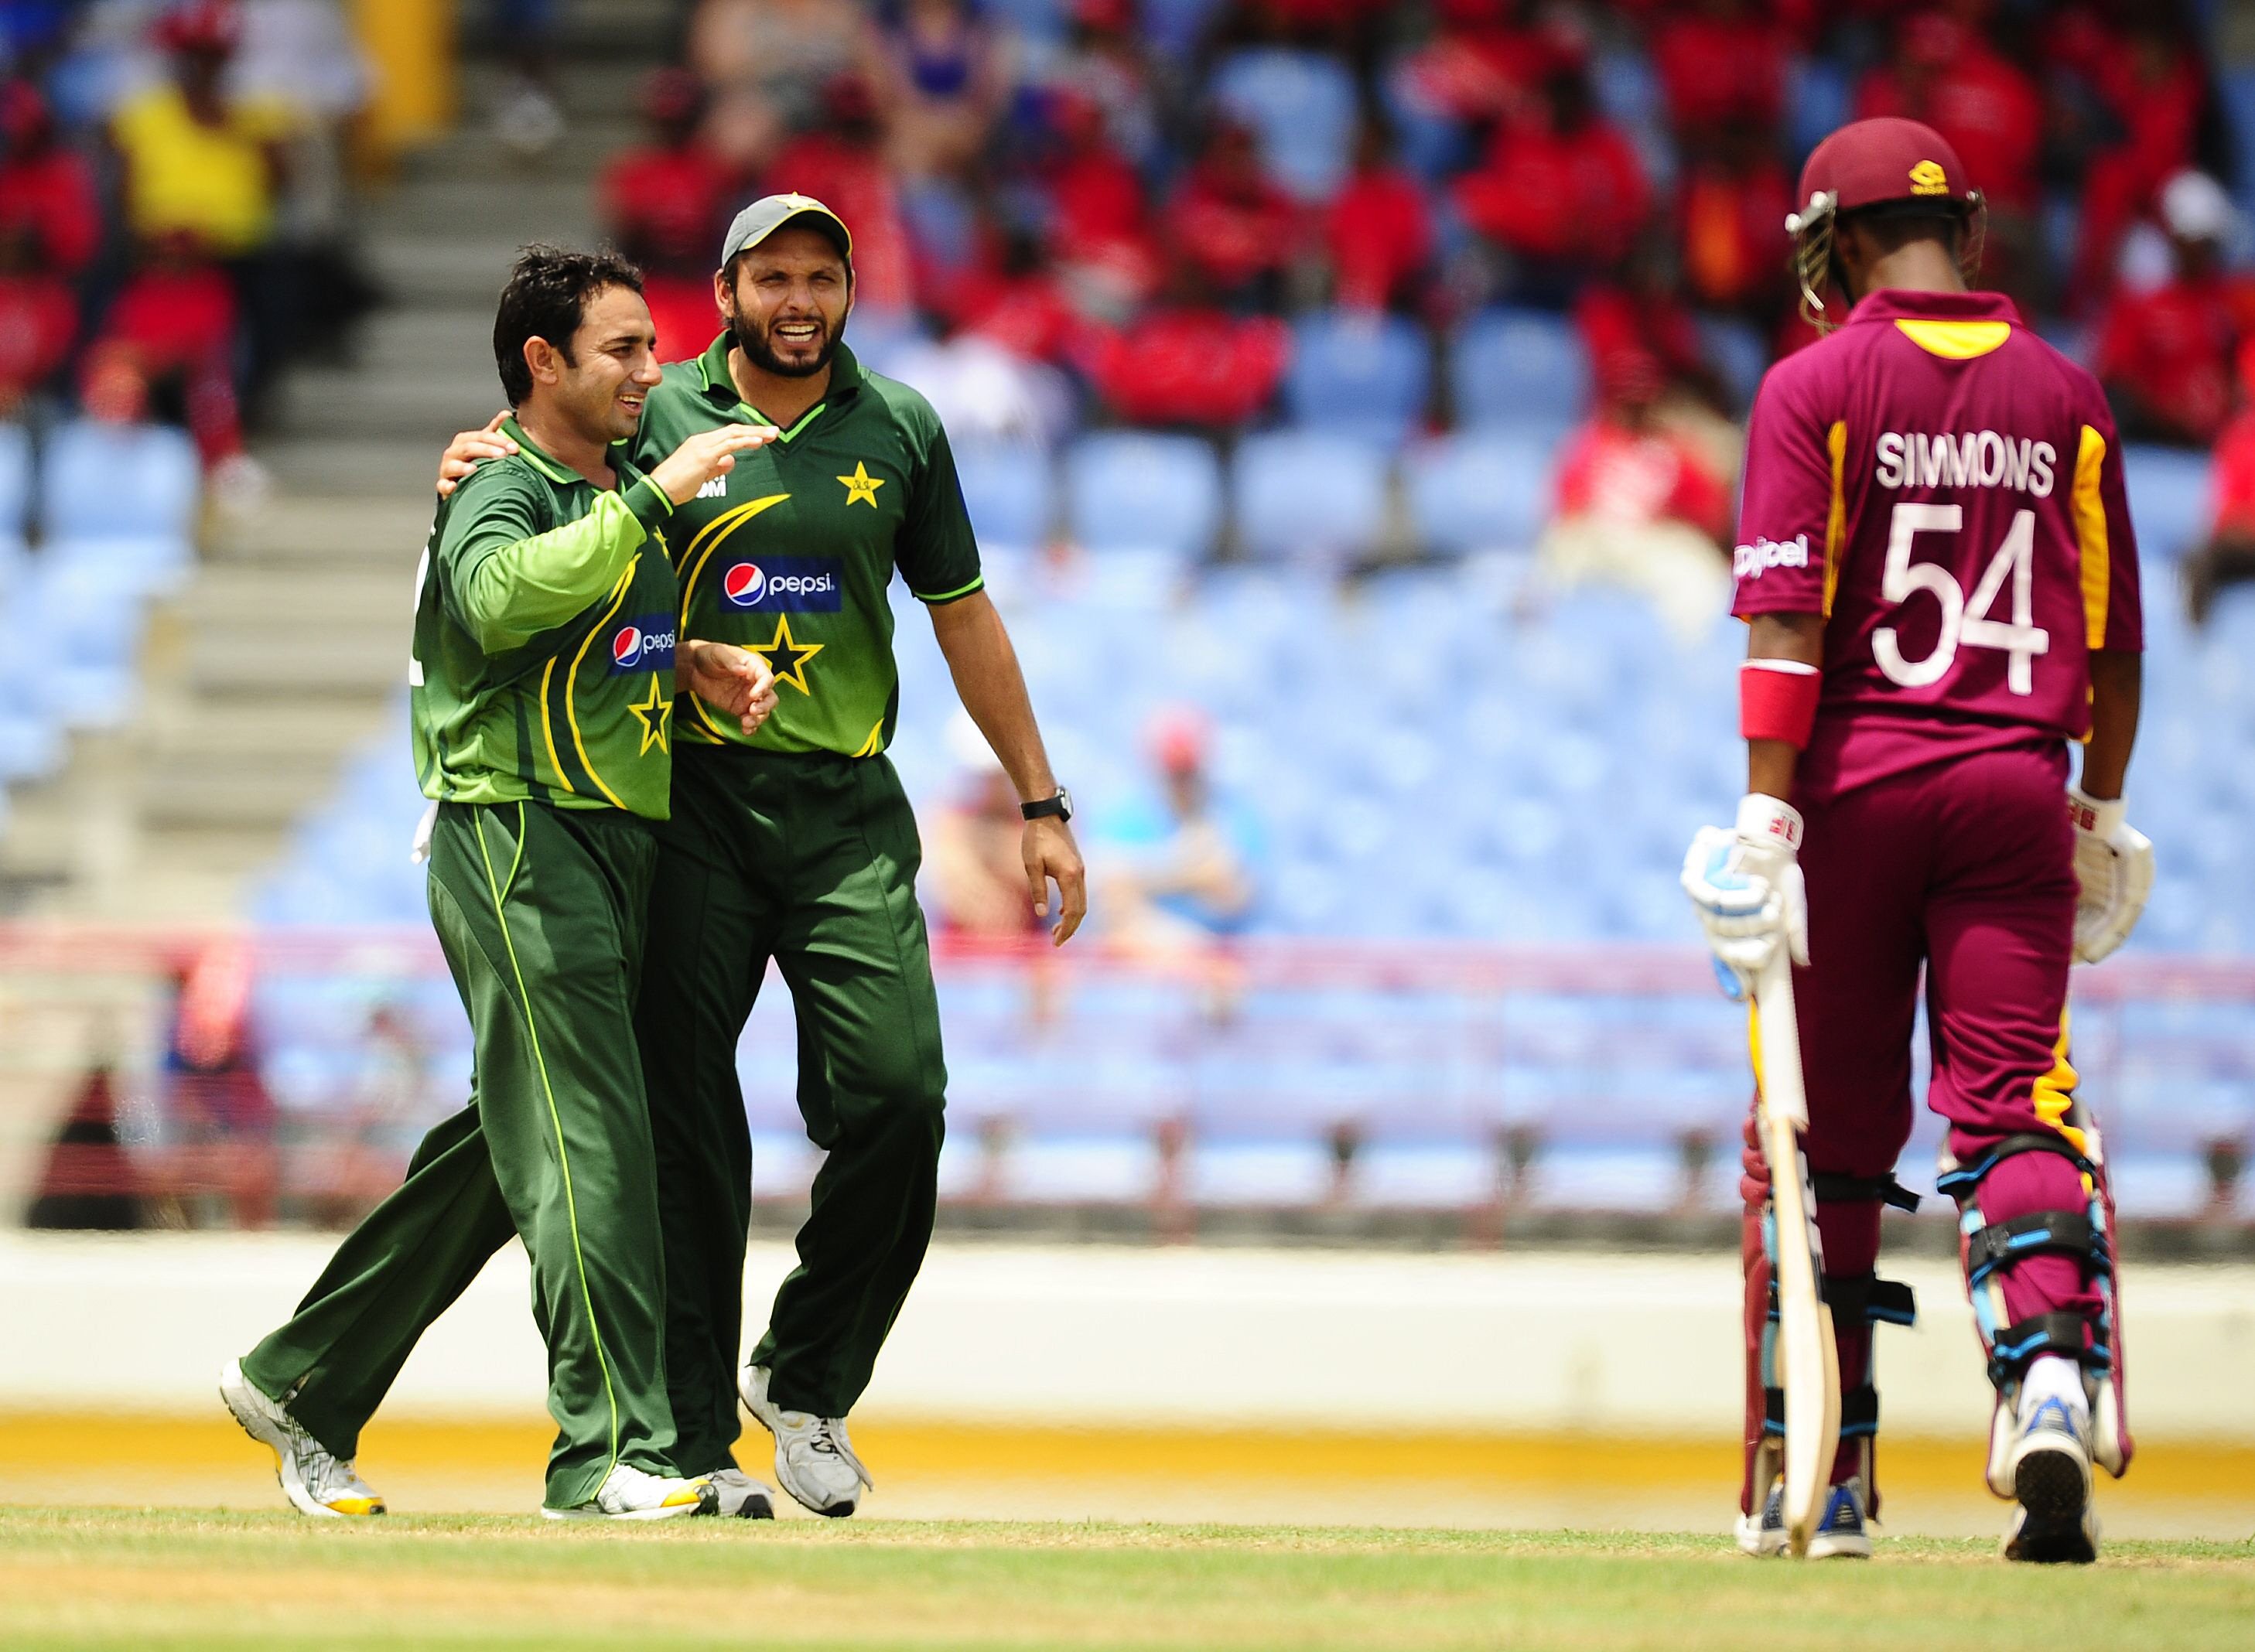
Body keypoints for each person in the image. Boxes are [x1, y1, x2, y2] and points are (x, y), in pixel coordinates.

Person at [437, 195, 1087, 1519]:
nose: (801, 301)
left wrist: (1040, 799)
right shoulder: (650, 412)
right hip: (690, 812)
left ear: (850, 293)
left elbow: (964, 619)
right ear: (725, 292)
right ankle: (680, 1448)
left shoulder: (899, 428)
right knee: (687, 1130)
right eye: (773, 277)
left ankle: (803, 1377)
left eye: (824, 278)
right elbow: (532, 488)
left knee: (902, 1097)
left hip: (848, 812)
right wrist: (465, 462)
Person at [221, 244, 783, 1522]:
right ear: (543, 362)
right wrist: (649, 512)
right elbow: (490, 602)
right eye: (625, 350)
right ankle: (612, 1457)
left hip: (613, 838)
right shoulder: (500, 485)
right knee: (592, 1141)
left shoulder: (609, 477)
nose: (654, 370)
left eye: (653, 347)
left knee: (516, 1139)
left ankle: (303, 1381)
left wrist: (681, 653)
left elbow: (584, 624)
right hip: (516, 834)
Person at [1682, 118, 2147, 1565]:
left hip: (1858, 789)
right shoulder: (2067, 395)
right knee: (2011, 1103)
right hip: (2019, 786)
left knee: (1826, 1140)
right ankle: (2049, 1379)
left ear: (1833, 239)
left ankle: (1823, 1464)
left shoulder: (1813, 386)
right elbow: (2116, 642)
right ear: (1968, 228)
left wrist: (1768, 808)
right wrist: (2107, 806)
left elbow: (1785, 621)